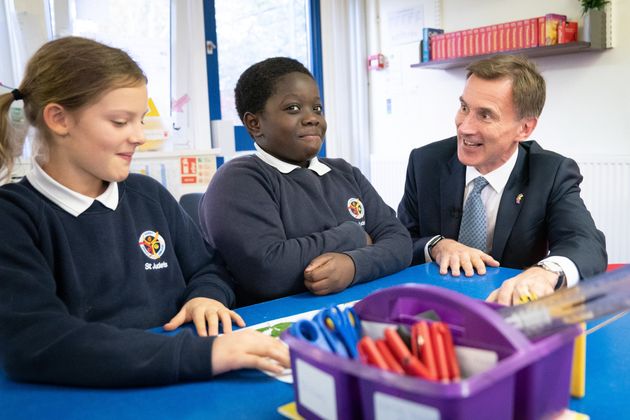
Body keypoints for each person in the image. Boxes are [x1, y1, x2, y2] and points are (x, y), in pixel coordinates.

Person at [0, 37, 288, 388]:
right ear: (59, 119)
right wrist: (206, 355)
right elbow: (39, 340)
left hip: (187, 380)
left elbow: (210, 268)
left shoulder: (147, 195)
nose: (138, 136)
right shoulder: (13, 217)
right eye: (120, 122)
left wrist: (205, 296)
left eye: (141, 120)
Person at [200, 57, 412, 306]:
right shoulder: (240, 180)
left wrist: (352, 266)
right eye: (293, 108)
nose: (312, 118)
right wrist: (354, 235)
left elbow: (400, 243)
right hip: (276, 322)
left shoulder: (346, 173)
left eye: (317, 108)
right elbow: (269, 271)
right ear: (254, 124)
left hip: (354, 307)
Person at [397, 54, 607, 306]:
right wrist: (436, 246)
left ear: (525, 128)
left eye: (485, 115)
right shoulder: (425, 162)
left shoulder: (550, 173)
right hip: (434, 306)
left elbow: (585, 243)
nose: (464, 127)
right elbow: (400, 240)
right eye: (464, 107)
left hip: (508, 312)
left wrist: (544, 274)